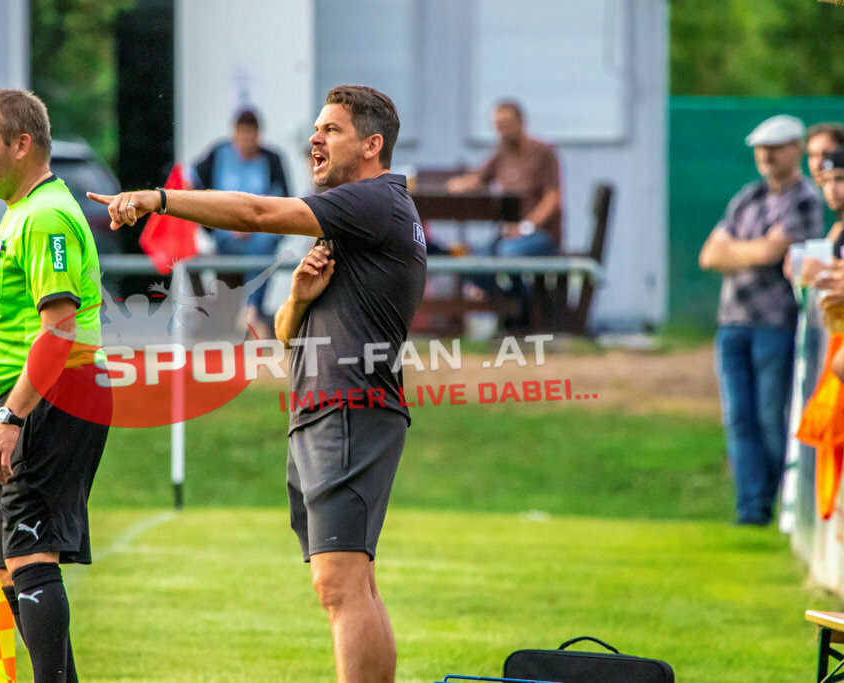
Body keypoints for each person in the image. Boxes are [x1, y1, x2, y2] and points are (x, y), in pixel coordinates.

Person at [90, 84, 426, 683]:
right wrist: (297, 296)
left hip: (350, 408)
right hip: (324, 408)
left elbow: (256, 214)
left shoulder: (375, 201)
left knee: (340, 584)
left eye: (333, 130)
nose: (314, 139)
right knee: (352, 585)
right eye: (316, 128)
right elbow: (287, 337)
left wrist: (160, 199)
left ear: (373, 146)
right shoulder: (354, 220)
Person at [0, 89, 109, 681]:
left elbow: (61, 330)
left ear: (21, 145)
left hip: (50, 399)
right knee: (15, 564)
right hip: (36, 400)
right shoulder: (22, 209)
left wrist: (11, 419)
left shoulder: (46, 216)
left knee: (28, 554)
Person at [699, 113, 823, 526]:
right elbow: (709, 254)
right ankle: (750, 507)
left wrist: (739, 250)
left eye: (775, 148)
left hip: (775, 323)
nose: (766, 156)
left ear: (796, 150)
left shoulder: (804, 198)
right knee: (738, 417)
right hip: (732, 321)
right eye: (760, 149)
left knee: (772, 417)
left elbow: (771, 255)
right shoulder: (748, 198)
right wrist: (753, 250)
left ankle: (771, 500)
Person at [446, 100, 562, 324]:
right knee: (467, 261)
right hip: (504, 236)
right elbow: (480, 178)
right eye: (498, 126)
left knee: (507, 254)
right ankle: (513, 302)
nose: (503, 131)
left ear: (521, 121)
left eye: (507, 124)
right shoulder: (501, 154)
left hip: (541, 235)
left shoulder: (543, 153)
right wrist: (459, 184)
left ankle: (521, 310)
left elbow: (552, 198)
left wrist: (526, 227)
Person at [191, 109, 291, 335]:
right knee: (261, 255)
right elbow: (193, 187)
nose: (246, 143)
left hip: (259, 233)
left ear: (259, 136)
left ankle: (250, 310)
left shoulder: (271, 160)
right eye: (242, 137)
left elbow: (283, 202)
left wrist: (254, 224)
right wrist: (212, 226)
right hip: (226, 235)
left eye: (251, 137)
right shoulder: (218, 154)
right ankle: (251, 313)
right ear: (235, 135)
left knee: (265, 245)